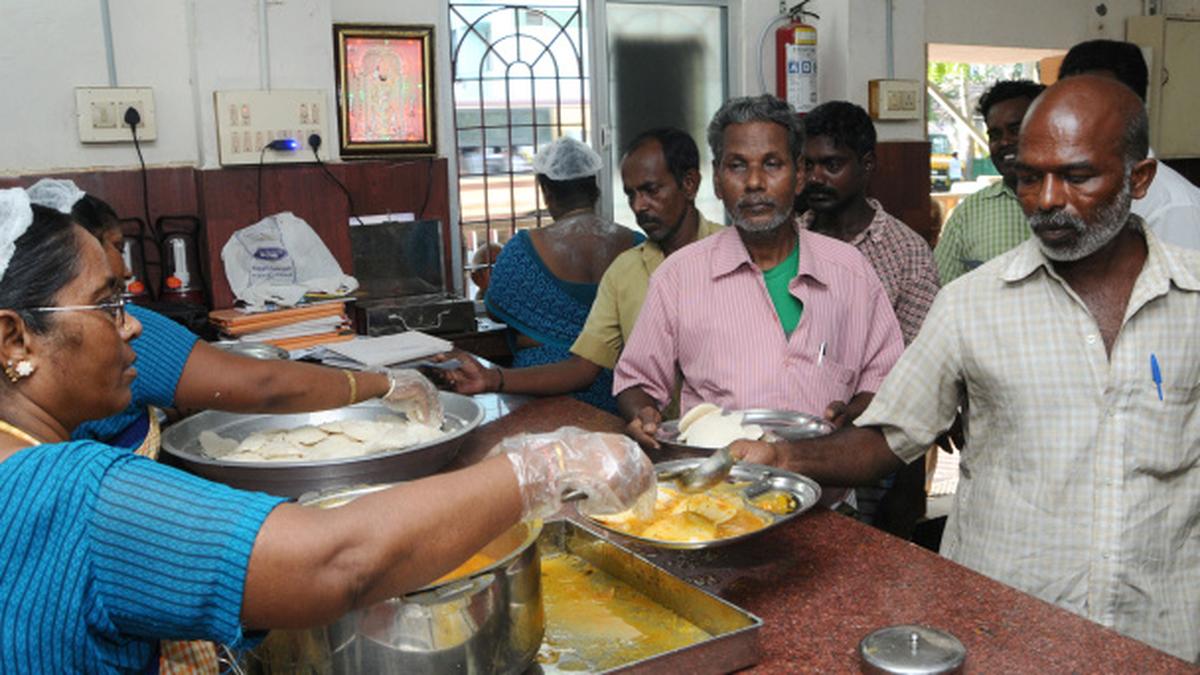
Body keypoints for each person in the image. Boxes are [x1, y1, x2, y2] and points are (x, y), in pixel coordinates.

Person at [0, 188, 656, 670]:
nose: (134, 323)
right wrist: (542, 465)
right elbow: (336, 559)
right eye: (109, 303)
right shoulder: (69, 495)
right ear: (13, 336)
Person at [731, 76, 1200, 663]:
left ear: (1139, 178)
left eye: (1077, 176)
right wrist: (783, 457)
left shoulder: (1194, 301)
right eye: (1029, 177)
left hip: (1159, 635)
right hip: (1006, 629)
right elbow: (888, 437)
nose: (1047, 199)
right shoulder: (973, 303)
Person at [614, 95, 905, 505]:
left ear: (799, 174)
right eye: (737, 165)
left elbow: (885, 382)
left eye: (772, 164)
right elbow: (638, 382)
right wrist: (642, 412)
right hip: (718, 500)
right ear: (716, 179)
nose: (754, 182)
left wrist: (855, 409)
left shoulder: (850, 273)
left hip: (828, 506)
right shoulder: (679, 277)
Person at [24, 178, 441, 457]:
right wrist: (384, 383)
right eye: (115, 244)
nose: (127, 267)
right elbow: (266, 384)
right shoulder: (110, 331)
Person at [438, 128, 721, 411]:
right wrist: (491, 379)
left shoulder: (736, 252)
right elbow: (584, 368)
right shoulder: (626, 268)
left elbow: (495, 306)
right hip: (663, 430)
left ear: (689, 184)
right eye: (630, 194)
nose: (638, 206)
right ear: (595, 190)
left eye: (650, 190)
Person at [799, 101, 941, 534]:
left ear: (866, 165)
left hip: (882, 448)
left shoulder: (905, 251)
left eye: (832, 164)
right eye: (808, 164)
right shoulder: (788, 241)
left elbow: (919, 368)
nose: (816, 177)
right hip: (793, 440)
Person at [484, 137, 642, 413]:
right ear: (595, 189)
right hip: (622, 393)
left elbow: (496, 310)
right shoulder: (638, 245)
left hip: (539, 389)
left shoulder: (521, 251)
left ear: (546, 191)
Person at [1059, 38, 1200, 250]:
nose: (1079, 116)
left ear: (1135, 106)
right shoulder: (1062, 189)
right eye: (1069, 102)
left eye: (1095, 102)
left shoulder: (1173, 206)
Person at [933, 80, 1046, 284]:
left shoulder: (1076, 201)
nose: (1004, 142)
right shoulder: (968, 214)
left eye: (1016, 129)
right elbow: (940, 294)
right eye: (995, 135)